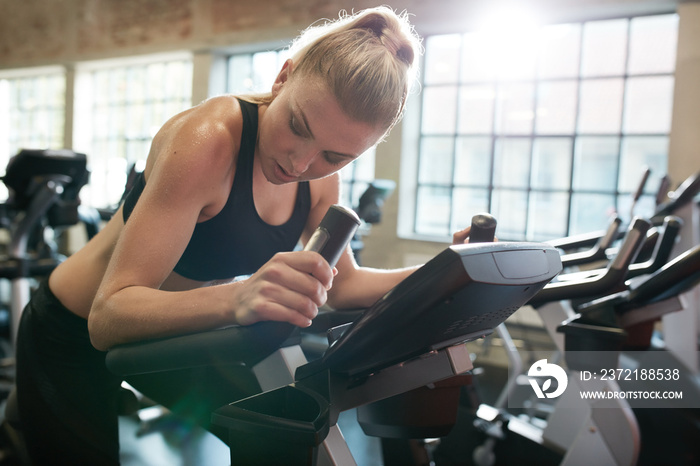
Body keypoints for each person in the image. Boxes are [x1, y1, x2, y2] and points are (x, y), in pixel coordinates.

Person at [11, 6, 470, 464]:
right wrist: (239, 297)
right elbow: (107, 315)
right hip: (69, 333)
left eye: (334, 155)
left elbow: (344, 286)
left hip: (169, 337)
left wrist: (452, 269)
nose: (299, 163)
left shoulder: (317, 179)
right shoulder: (208, 141)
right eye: (297, 126)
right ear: (282, 78)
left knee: (284, 434)